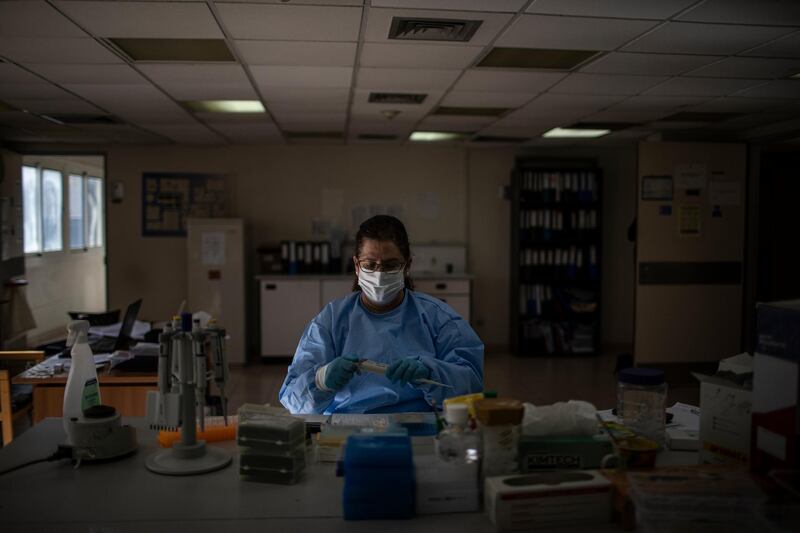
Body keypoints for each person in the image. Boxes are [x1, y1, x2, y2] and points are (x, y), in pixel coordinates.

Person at [279, 215, 484, 414]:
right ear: (357, 266)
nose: (379, 274)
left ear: (407, 267)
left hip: (417, 425)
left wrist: (430, 372)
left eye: (391, 265)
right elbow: (292, 399)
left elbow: (472, 387)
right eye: (370, 265)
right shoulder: (331, 322)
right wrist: (321, 380)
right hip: (347, 428)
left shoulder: (438, 318)